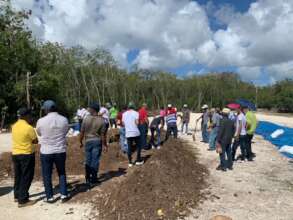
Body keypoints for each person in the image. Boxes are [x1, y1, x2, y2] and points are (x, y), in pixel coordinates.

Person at [36, 100, 70, 203]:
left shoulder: (41, 121)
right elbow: (66, 132)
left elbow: (39, 133)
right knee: (61, 172)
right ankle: (64, 194)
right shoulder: (64, 119)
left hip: (46, 151)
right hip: (60, 150)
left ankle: (49, 197)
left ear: (46, 109)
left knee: (47, 174)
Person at [11, 108, 38, 207]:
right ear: (26, 116)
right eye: (29, 115)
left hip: (15, 154)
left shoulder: (13, 126)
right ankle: (23, 200)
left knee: (18, 175)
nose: (30, 117)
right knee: (26, 176)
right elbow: (35, 141)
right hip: (26, 154)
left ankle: (17, 195)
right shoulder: (28, 127)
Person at [79, 103, 107, 186]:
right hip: (97, 141)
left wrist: (80, 141)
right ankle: (94, 179)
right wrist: (105, 145)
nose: (89, 110)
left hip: (88, 141)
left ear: (93, 110)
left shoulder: (86, 119)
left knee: (88, 160)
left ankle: (87, 178)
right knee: (95, 160)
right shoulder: (101, 120)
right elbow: (103, 135)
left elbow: (82, 132)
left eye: (90, 108)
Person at [122, 102, 144, 167]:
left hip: (128, 133)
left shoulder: (124, 114)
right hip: (135, 132)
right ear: (133, 107)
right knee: (138, 146)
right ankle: (138, 160)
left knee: (129, 147)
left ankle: (130, 162)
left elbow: (123, 124)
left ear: (128, 107)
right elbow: (137, 123)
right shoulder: (136, 113)